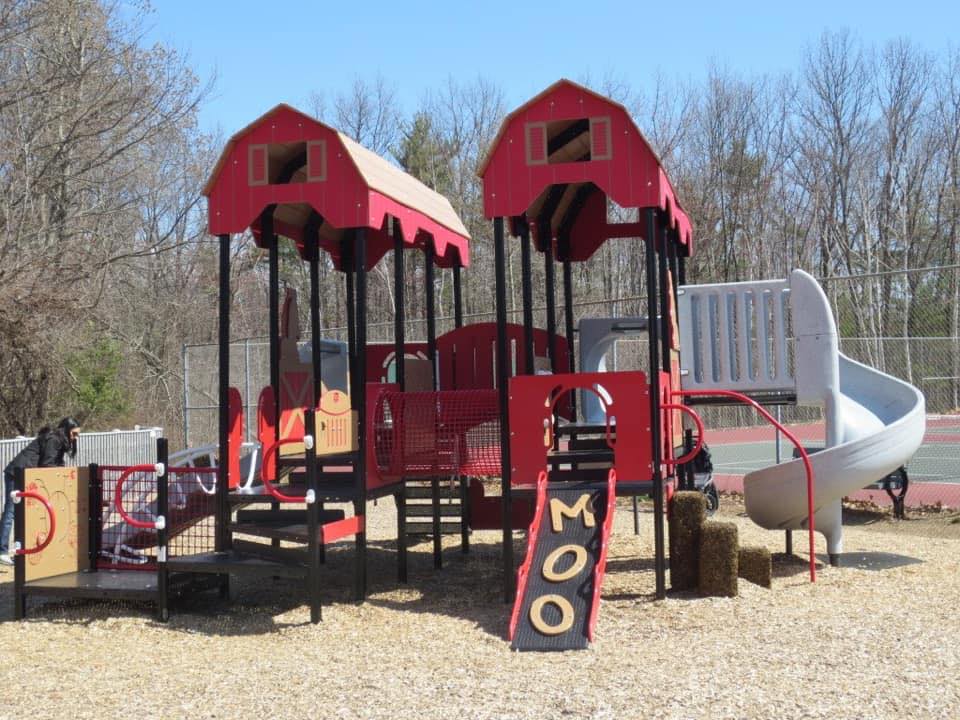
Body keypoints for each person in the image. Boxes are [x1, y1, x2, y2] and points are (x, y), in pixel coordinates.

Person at [0, 417, 80, 565]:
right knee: (11, 511)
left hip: (26, 474)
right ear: (67, 430)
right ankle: (2, 551)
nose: (76, 437)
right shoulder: (54, 439)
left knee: (23, 513)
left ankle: (20, 549)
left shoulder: (59, 441)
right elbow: (47, 464)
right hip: (17, 473)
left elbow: (56, 463)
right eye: (74, 434)